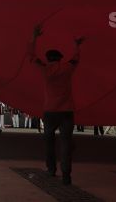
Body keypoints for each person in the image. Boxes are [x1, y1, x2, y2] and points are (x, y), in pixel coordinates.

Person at [29, 24, 84, 186]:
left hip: (50, 111)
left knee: (49, 142)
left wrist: (34, 36)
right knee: (66, 143)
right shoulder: (67, 68)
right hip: (66, 111)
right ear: (60, 58)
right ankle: (66, 175)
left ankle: (51, 169)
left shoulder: (45, 69)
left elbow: (31, 56)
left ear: (48, 59)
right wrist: (76, 44)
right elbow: (76, 58)